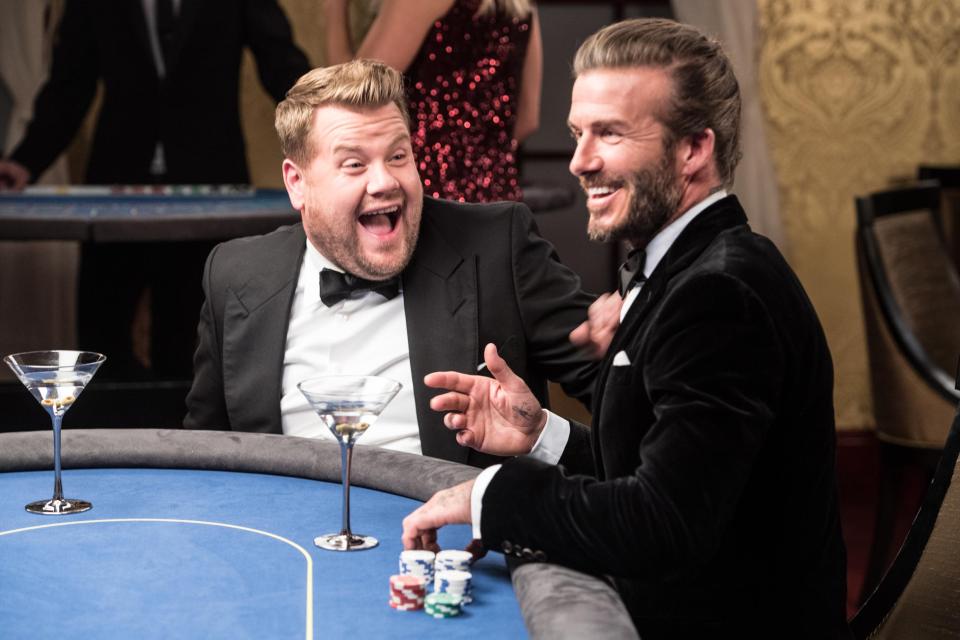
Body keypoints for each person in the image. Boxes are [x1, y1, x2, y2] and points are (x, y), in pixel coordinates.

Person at [400, 18, 850, 637]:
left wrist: (488, 498)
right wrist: (543, 438)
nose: (581, 162)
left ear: (694, 149)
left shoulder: (721, 296)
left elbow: (663, 525)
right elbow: (669, 472)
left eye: (609, 134)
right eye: (578, 134)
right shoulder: (689, 268)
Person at [183, 59, 597, 468]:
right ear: (297, 183)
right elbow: (201, 458)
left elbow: (637, 409)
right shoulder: (235, 273)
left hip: (450, 530)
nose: (385, 182)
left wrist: (545, 435)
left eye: (398, 156)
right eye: (355, 164)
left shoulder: (496, 247)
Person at [0, 0, 311, 378]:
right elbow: (70, 84)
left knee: (194, 352)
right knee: (100, 346)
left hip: (210, 193)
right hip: (114, 191)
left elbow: (281, 65)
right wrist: (24, 161)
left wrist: (325, 136)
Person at [324, 0, 541, 202]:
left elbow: (353, 96)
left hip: (425, 195)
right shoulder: (520, 5)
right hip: (497, 194)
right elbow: (528, 120)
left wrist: (334, 10)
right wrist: (482, 161)